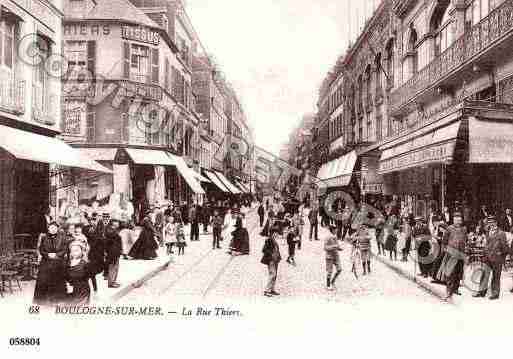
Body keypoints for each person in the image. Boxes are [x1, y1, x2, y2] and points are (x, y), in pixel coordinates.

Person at [473, 216, 511, 300]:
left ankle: (495, 293)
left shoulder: (501, 233)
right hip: (487, 257)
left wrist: (501, 254)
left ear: (496, 223)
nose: (490, 224)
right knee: (484, 275)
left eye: (492, 222)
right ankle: (481, 292)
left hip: (497, 258)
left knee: (496, 276)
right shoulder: (487, 231)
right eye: (489, 222)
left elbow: (505, 247)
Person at [33, 222, 68, 306]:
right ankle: (43, 300)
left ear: (57, 229)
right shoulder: (44, 238)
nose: (53, 229)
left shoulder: (62, 238)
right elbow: (41, 249)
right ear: (48, 229)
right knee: (43, 279)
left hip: (58, 262)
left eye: (55, 228)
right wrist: (47, 254)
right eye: (51, 228)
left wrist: (56, 255)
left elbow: (64, 249)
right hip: (46, 262)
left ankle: (57, 300)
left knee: (58, 281)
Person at [439, 212, 467, 300]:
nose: (458, 221)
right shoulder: (449, 229)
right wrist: (444, 251)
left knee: (459, 272)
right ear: (453, 220)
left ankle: (456, 289)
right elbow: (444, 241)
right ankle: (448, 291)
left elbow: (465, 240)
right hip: (451, 254)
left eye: (460, 220)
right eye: (456, 219)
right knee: (450, 273)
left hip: (460, 254)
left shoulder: (464, 229)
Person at [65, 241, 92, 306]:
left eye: (76, 250)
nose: (74, 253)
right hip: (71, 291)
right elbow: (66, 277)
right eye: (72, 251)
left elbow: (89, 278)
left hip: (82, 292)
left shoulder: (85, 264)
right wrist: (68, 284)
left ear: (82, 251)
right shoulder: (67, 263)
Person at [261, 225, 282, 297]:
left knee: (275, 275)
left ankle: (272, 289)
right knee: (272, 274)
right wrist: (271, 255)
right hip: (271, 260)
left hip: (276, 260)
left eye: (277, 233)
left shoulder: (273, 239)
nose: (277, 234)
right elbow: (264, 250)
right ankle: (267, 290)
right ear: (272, 233)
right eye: (275, 233)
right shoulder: (269, 240)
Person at [105, 219, 122, 288]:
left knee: (116, 267)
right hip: (112, 252)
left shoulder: (114, 230)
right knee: (112, 267)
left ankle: (113, 281)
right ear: (113, 223)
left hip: (116, 252)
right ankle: (111, 283)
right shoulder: (110, 230)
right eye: (116, 222)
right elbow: (112, 237)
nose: (118, 224)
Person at [324, 224, 342, 291]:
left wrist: (339, 248)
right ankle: (328, 285)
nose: (337, 230)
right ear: (332, 230)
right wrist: (333, 247)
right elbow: (325, 247)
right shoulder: (327, 237)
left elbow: (337, 245)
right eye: (335, 229)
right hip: (329, 256)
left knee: (339, 269)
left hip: (336, 256)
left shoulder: (335, 237)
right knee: (329, 272)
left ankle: (333, 281)